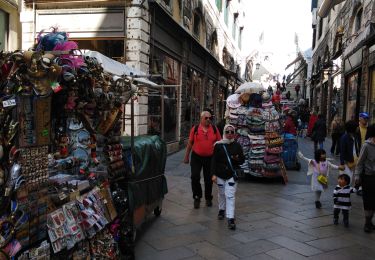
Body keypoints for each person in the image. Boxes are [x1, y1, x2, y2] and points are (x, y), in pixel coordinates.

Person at [184, 110, 222, 209]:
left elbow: (220, 143)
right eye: (206, 118)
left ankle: (208, 198)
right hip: (196, 157)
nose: (208, 120)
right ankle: (197, 197)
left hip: (210, 158)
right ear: (201, 119)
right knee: (195, 176)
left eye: (210, 118)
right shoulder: (195, 129)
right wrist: (187, 156)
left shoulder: (214, 129)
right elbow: (190, 143)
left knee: (209, 179)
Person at [211, 124, 245, 230]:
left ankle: (230, 218)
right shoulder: (218, 145)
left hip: (231, 174)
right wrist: (213, 174)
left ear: (234, 134)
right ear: (224, 133)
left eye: (232, 132)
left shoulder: (237, 146)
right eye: (227, 132)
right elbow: (213, 161)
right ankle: (221, 209)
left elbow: (242, 160)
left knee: (230, 196)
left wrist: (236, 159)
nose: (230, 134)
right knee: (221, 193)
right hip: (220, 174)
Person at [355, 124, 375, 233]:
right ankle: (367, 223)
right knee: (368, 201)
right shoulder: (366, 146)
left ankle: (370, 221)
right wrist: (357, 176)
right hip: (368, 177)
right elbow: (360, 163)